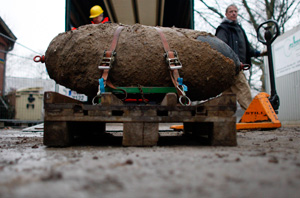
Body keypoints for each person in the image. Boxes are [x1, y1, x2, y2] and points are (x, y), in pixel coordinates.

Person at [215, 4, 263, 111]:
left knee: (227, 95)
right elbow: (220, 48)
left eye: (235, 11)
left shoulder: (239, 30)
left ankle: (223, 118)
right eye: (231, 11)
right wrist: (233, 63)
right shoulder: (223, 29)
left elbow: (247, 48)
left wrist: (259, 53)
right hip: (231, 67)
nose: (233, 13)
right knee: (243, 89)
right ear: (226, 14)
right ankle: (252, 115)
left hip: (238, 66)